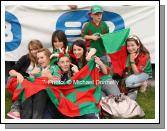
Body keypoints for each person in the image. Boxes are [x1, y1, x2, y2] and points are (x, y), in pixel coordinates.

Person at [7, 39, 43, 119]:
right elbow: (11, 71)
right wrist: (18, 74)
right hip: (17, 80)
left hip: (31, 83)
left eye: (36, 49)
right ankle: (15, 109)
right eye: (31, 49)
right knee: (25, 86)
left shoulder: (43, 58)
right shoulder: (25, 58)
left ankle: (20, 113)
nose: (33, 51)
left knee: (29, 89)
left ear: (40, 48)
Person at [122, 35, 152, 100]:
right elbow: (126, 68)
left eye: (132, 45)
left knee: (128, 82)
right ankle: (135, 85)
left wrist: (132, 61)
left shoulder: (144, 56)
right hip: (134, 72)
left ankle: (143, 83)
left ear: (138, 45)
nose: (130, 48)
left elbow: (137, 73)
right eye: (128, 46)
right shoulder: (130, 53)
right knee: (123, 81)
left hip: (144, 73)